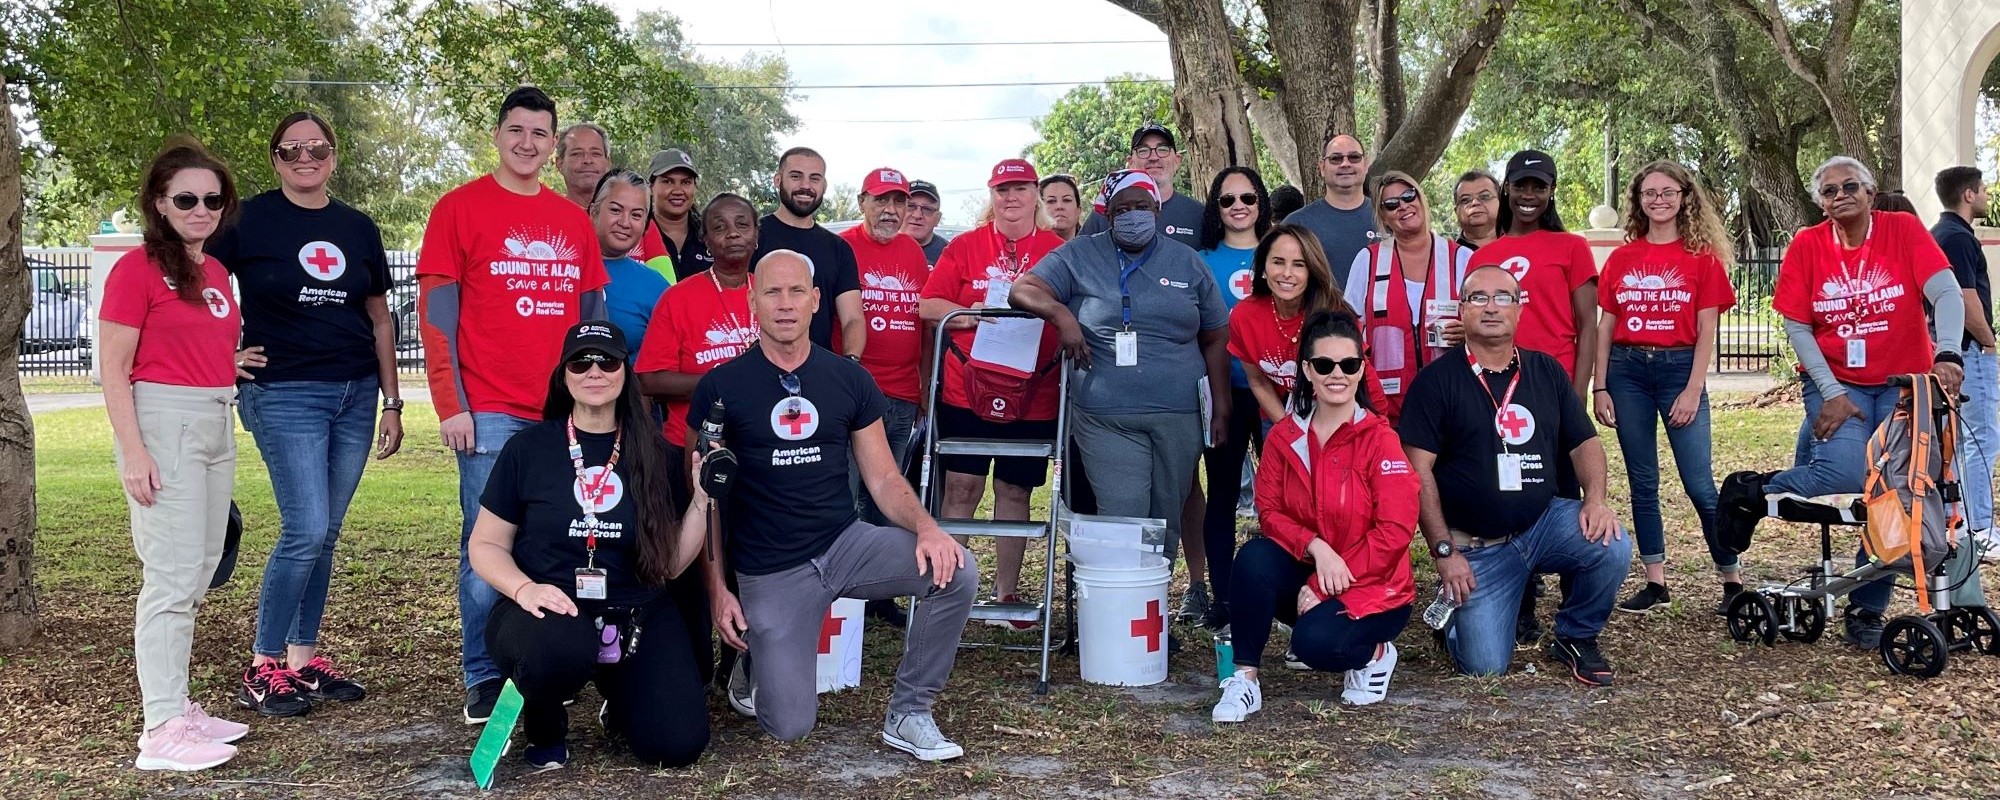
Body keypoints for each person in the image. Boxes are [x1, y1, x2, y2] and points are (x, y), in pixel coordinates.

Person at [695, 250, 976, 761]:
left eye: (796, 291)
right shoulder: (722, 386)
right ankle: (756, 659)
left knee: (954, 569)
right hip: (771, 567)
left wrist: (930, 529)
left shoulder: (847, 379)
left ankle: (910, 712)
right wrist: (717, 590)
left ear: (816, 300)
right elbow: (706, 502)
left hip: (844, 544)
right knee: (789, 726)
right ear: (753, 299)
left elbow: (885, 478)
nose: (785, 304)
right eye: (773, 292)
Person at [417, 85, 608, 724]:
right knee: (485, 545)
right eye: (516, 131)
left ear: (552, 146)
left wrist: (595, 401)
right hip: (490, 410)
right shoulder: (458, 209)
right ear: (497, 135)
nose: (527, 143)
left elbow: (592, 319)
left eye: (540, 134)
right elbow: (438, 318)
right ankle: (482, 675)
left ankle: (541, 661)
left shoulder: (572, 221)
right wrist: (450, 402)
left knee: (554, 540)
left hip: (562, 413)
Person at [1720, 156, 1965, 649]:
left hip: (1903, 384)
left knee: (1895, 491)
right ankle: (1752, 492)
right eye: (1829, 191)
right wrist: (1830, 391)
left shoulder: (1903, 230)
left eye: (1850, 186)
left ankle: (1866, 609)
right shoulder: (1808, 246)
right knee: (1849, 477)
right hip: (1839, 384)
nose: (1840, 196)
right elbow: (1797, 325)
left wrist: (1948, 355)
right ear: (1821, 203)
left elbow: (1947, 294)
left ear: (1871, 192)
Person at [205, 112, 401, 718]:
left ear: (333, 156)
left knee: (326, 533)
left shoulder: (357, 228)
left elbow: (378, 319)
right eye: (291, 150)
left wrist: (392, 401)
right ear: (276, 161)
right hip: (284, 391)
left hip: (355, 394)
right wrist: (223, 355)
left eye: (316, 147)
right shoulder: (245, 221)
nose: (305, 157)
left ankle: (302, 660)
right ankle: (263, 665)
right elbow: (197, 286)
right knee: (305, 529)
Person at [470, 322, 712, 770]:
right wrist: (525, 590)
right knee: (558, 643)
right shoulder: (529, 449)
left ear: (625, 373)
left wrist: (699, 501)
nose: (594, 371)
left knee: (677, 746)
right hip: (548, 610)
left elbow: (673, 566)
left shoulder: (657, 454)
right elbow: (485, 544)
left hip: (634, 613)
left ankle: (620, 696)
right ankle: (543, 726)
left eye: (608, 360)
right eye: (581, 361)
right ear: (564, 375)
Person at [1399, 266, 1631, 686]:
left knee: (1611, 544)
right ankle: (1451, 621)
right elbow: (1419, 473)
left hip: (1541, 524)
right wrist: (1444, 552)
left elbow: (1585, 444)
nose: (1491, 307)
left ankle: (1575, 636)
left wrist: (1595, 499)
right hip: (1477, 548)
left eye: (1503, 297)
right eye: (1478, 298)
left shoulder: (1546, 372)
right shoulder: (1435, 383)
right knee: (1484, 667)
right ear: (1462, 310)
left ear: (1520, 308)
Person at [101, 138, 251, 771]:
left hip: (215, 417)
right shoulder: (135, 269)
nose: (201, 208)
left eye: (212, 199)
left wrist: (227, 364)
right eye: (186, 198)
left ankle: (179, 705)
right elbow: (112, 368)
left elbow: (191, 341)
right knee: (169, 575)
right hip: (164, 426)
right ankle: (161, 727)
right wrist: (134, 452)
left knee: (200, 567)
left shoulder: (213, 271)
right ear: (160, 203)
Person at [1012, 169, 1231, 598]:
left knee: (1165, 514)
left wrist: (1220, 403)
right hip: (1106, 413)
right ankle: (1123, 609)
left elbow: (1216, 333)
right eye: (1123, 209)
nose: (1134, 216)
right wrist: (1063, 316)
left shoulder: (1186, 260)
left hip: (1179, 410)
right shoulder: (1079, 254)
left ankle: (1151, 611)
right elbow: (1023, 289)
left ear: (1158, 209)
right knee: (1123, 513)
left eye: (1142, 207)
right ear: (1107, 214)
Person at [1212, 311, 1419, 722]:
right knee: (1254, 559)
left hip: (1377, 588)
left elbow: (1395, 532)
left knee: (1315, 646)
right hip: (1313, 571)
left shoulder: (1381, 440)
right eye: (1324, 365)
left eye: (1349, 364)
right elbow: (1269, 511)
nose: (1336, 374)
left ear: (1362, 369)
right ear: (1307, 370)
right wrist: (1315, 547)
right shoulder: (1286, 437)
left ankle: (1378, 653)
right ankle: (1244, 679)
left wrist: (1326, 583)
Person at [919, 159, 1067, 624]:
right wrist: (972, 313)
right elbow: (928, 303)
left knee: (1015, 488)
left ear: (1035, 194)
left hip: (1034, 388)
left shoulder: (1057, 248)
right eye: (1003, 189)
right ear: (991, 193)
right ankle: (946, 589)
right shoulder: (965, 245)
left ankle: (1007, 594)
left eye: (1020, 188)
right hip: (967, 386)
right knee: (960, 487)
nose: (1011, 197)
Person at [1590, 161, 1739, 614]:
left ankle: (1731, 578)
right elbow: (1605, 326)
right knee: (1643, 480)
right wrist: (1600, 385)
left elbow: (1706, 329)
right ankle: (1655, 580)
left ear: (1683, 197)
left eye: (1667, 192)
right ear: (1638, 200)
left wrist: (1694, 388)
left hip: (1679, 370)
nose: (1658, 200)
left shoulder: (1702, 257)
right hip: (1628, 370)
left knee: (1699, 483)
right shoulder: (1622, 257)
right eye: (1649, 192)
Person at [837, 167, 932, 629]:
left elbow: (923, 325)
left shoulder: (914, 252)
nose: (891, 211)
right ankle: (844, 592)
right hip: (854, 394)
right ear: (862, 202)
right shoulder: (844, 247)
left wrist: (924, 388)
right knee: (847, 491)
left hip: (900, 393)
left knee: (887, 495)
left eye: (899, 202)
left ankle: (880, 593)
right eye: (882, 201)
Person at [1186, 165, 1276, 628]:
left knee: (1281, 497)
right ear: (1215, 209)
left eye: (1248, 198)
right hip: (1223, 393)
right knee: (1221, 493)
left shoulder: (1282, 253)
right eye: (1227, 200)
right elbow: (1201, 333)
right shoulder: (1200, 260)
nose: (1239, 207)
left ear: (1261, 203)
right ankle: (1222, 598)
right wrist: (1217, 399)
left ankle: (1283, 593)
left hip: (1277, 396)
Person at [637, 193, 762, 483]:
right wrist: (725, 382)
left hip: (761, 445)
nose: (732, 233)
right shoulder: (677, 298)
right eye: (719, 227)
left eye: (742, 225)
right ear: (705, 239)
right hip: (689, 449)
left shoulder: (774, 293)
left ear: (756, 234)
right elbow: (649, 380)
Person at [1342, 171, 1473, 423]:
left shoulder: (1461, 258)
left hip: (1453, 400)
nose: (1403, 206)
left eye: (1408, 196)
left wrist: (1470, 333)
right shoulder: (1368, 261)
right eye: (1391, 204)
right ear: (1384, 217)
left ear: (1421, 198)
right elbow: (1347, 331)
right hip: (1386, 407)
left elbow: (1488, 324)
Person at [1468, 150, 1599, 395]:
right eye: (1520, 186)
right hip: (1494, 382)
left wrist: (1578, 393)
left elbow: (1588, 325)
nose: (1528, 195)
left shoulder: (1573, 247)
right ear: (1506, 188)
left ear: (1552, 191)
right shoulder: (1481, 258)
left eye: (1539, 187)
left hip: (1555, 378)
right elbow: (1474, 328)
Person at [1230, 224, 1383, 426]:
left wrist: (1379, 425)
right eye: (1278, 262)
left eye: (1299, 264)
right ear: (1264, 267)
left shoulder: (1334, 314)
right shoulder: (1244, 316)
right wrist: (1288, 430)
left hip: (1340, 419)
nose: (1287, 273)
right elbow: (1258, 381)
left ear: (1311, 270)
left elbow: (1363, 378)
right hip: (1280, 415)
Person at [1933, 166, 1999, 560]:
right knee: (1982, 437)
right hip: (1970, 350)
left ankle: (1959, 520)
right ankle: (1980, 525)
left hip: (1958, 350)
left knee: (1958, 441)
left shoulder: (1943, 235)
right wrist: (1989, 341)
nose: (1987, 195)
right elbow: (1963, 296)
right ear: (1968, 195)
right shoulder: (1956, 237)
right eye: (1984, 189)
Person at [755, 147, 866, 355]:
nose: (805, 186)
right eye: (796, 176)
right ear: (778, 180)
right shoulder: (753, 238)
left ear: (824, 186)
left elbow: (853, 318)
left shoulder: (838, 248)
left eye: (814, 179)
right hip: (759, 369)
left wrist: (851, 362)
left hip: (818, 373)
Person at [1079, 124, 1204, 247]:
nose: (1154, 157)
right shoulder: (1105, 214)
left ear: (1177, 161)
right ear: (1130, 162)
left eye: (1162, 149)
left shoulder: (1199, 214)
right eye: (1143, 151)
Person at [592, 169, 671, 353]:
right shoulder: (563, 268)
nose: (625, 222)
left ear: (645, 225)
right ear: (594, 211)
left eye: (636, 215)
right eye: (616, 210)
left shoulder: (656, 286)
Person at [1284, 133, 1377, 282]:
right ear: (1322, 167)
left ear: (1365, 164)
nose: (1345, 164)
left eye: (1354, 157)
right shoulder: (1297, 224)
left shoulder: (1389, 217)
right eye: (1336, 158)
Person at [632, 148, 712, 281]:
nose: (678, 191)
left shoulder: (710, 235)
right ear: (650, 186)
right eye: (668, 182)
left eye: (686, 182)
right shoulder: (635, 232)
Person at [555, 123, 611, 210]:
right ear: (560, 164)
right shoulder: (546, 216)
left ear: (608, 163)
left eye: (596, 153)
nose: (588, 160)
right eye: (577, 154)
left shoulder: (626, 219)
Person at [905, 180, 951, 265]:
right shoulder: (879, 249)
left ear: (938, 219)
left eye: (927, 209)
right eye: (910, 206)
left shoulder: (951, 255)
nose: (917, 215)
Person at [1453, 170, 1501, 250]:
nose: (1475, 203)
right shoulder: (1449, 256)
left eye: (1484, 197)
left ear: (1501, 202)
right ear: (1456, 211)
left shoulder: (1521, 241)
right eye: (1465, 200)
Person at [1040, 174, 1084, 241]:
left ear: (1078, 210)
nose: (1059, 206)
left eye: (1067, 200)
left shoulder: (1094, 248)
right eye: (1051, 201)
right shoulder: (1023, 249)